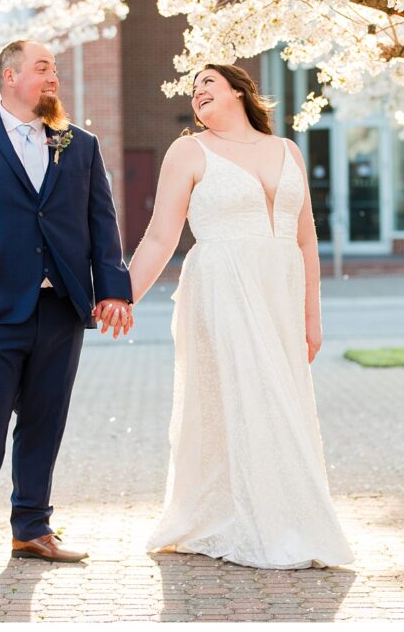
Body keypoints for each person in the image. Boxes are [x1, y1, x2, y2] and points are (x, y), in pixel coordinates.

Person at [100, 64, 353, 568]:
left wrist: (312, 316)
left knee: (282, 399)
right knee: (249, 396)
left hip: (280, 290)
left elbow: (306, 239)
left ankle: (290, 517)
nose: (198, 95)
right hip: (221, 286)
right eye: (193, 92)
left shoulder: (287, 151)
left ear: (239, 91)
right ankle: (253, 522)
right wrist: (121, 294)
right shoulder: (188, 151)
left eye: (207, 85)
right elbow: (159, 237)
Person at [0, 39, 133, 576]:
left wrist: (111, 289)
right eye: (43, 69)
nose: (53, 78)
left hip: (61, 309)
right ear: (10, 76)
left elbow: (101, 224)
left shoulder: (78, 144)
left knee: (44, 423)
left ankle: (32, 530)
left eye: (55, 70)